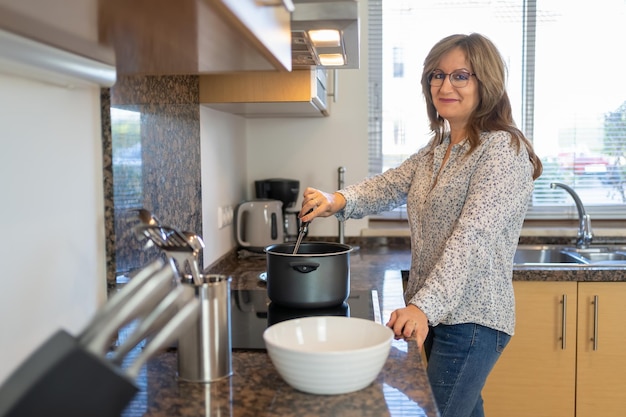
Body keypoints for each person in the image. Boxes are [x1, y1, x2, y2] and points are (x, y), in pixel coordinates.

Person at [298, 33, 543, 417]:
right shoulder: (440, 148)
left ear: (486, 82)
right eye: (436, 75)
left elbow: (473, 238)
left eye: (461, 76)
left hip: (472, 319)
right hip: (439, 312)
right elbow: (390, 184)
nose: (444, 86)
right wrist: (335, 201)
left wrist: (422, 308)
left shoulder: (502, 150)